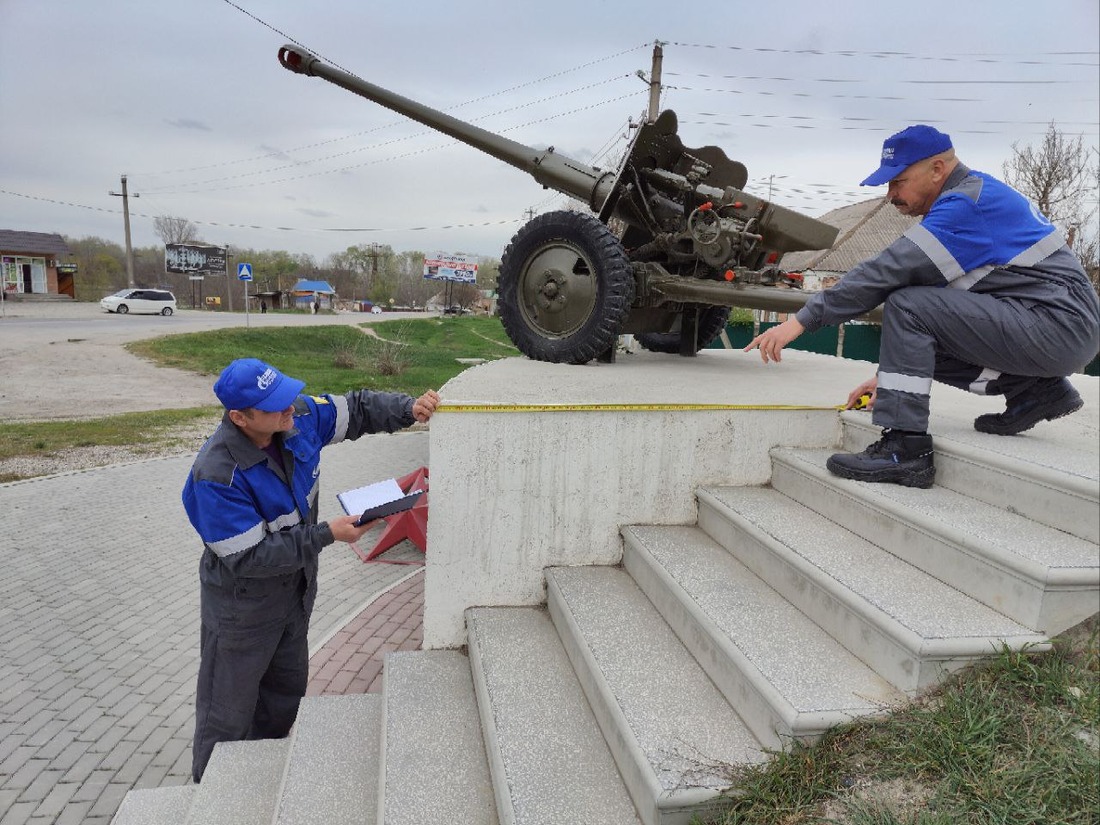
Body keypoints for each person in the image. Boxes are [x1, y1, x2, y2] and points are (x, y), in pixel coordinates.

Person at [745, 124, 1099, 489]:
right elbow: (943, 312)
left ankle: (905, 449)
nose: (890, 194)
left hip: (1056, 326)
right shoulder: (972, 197)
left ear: (937, 170)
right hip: (1057, 327)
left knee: (907, 305)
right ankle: (1036, 393)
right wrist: (889, 376)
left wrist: (801, 321)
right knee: (918, 313)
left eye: (899, 181)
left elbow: (888, 270)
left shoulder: (965, 205)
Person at [182, 357, 440, 782]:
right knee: (227, 711)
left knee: (285, 693)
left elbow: (355, 409)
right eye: (274, 405)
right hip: (241, 611)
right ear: (240, 418)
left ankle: (259, 775)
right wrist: (327, 534)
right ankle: (211, 794)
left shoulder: (297, 417)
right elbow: (250, 557)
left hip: (294, 596)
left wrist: (407, 408)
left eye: (286, 395)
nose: (289, 407)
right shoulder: (217, 476)